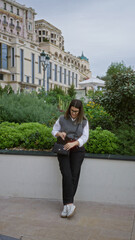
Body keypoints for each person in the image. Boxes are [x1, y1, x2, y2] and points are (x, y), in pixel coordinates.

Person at [52, 99, 89, 218]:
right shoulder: (62, 118)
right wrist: (59, 134)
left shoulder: (84, 121)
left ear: (80, 111)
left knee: (74, 176)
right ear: (69, 109)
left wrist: (74, 143)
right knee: (66, 175)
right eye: (72, 111)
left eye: (76, 111)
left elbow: (85, 137)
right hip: (63, 148)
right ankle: (68, 204)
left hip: (77, 150)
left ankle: (67, 205)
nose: (74, 113)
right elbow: (54, 130)